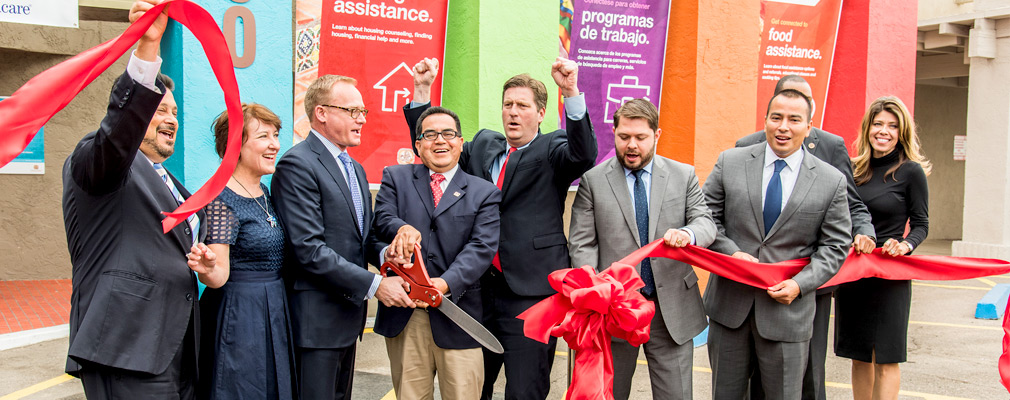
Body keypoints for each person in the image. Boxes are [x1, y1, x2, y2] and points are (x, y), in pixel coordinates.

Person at [405, 57, 597, 399]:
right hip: (476, 293)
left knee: (525, 390)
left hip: (532, 295)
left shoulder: (552, 149)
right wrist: (422, 91)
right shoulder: (481, 145)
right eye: (508, 104)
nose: (512, 112)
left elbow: (583, 154)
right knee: (474, 388)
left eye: (522, 106)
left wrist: (570, 91)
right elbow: (435, 150)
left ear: (540, 113)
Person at [61, 1, 217, 397]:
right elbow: (118, 133)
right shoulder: (100, 163)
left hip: (175, 348)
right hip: (126, 346)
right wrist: (147, 50)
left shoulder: (175, 185)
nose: (172, 119)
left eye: (176, 111)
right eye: (159, 109)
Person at [271, 74, 413, 400]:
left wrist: (386, 255)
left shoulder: (355, 168)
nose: (362, 119)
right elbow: (308, 250)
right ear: (322, 113)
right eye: (353, 111)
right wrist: (376, 285)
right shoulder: (298, 164)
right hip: (315, 324)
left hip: (348, 321)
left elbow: (362, 237)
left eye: (363, 111)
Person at [703, 89, 851, 399]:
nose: (783, 126)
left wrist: (800, 285)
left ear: (809, 128)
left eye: (794, 119)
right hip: (730, 309)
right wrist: (732, 253)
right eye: (776, 117)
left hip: (788, 315)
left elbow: (836, 246)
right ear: (766, 121)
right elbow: (705, 218)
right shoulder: (731, 161)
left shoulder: (831, 180)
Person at [736, 75, 876, 400]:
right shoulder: (746, 147)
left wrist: (865, 231)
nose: (786, 121)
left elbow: (851, 202)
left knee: (809, 372)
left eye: (804, 101)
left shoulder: (831, 145)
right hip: (752, 283)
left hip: (809, 282)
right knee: (752, 373)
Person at [568, 99, 716, 400]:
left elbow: (706, 222)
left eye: (640, 137)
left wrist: (688, 234)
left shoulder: (683, 175)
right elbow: (582, 243)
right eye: (624, 137)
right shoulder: (594, 181)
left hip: (671, 308)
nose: (631, 145)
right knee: (608, 394)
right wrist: (596, 292)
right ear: (614, 133)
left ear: (657, 135)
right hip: (614, 312)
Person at [372, 106, 501, 399]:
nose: (439, 141)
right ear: (418, 145)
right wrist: (401, 228)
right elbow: (381, 220)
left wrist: (441, 285)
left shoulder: (484, 193)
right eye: (429, 135)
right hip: (406, 315)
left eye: (448, 134)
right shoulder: (396, 177)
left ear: (460, 142)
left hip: (457, 314)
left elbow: (481, 248)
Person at [194, 103, 295, 399]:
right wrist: (209, 269)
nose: (274, 145)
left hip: (275, 305)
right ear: (236, 144)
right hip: (239, 314)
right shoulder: (221, 198)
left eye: (276, 136)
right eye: (263, 137)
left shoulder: (265, 192)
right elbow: (218, 274)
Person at [834, 96, 930, 400]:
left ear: (901, 132)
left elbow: (921, 224)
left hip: (890, 277)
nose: (884, 131)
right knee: (859, 354)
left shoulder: (911, 172)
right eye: (878, 124)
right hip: (854, 275)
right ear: (868, 128)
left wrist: (905, 244)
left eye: (892, 125)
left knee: (886, 356)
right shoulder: (853, 170)